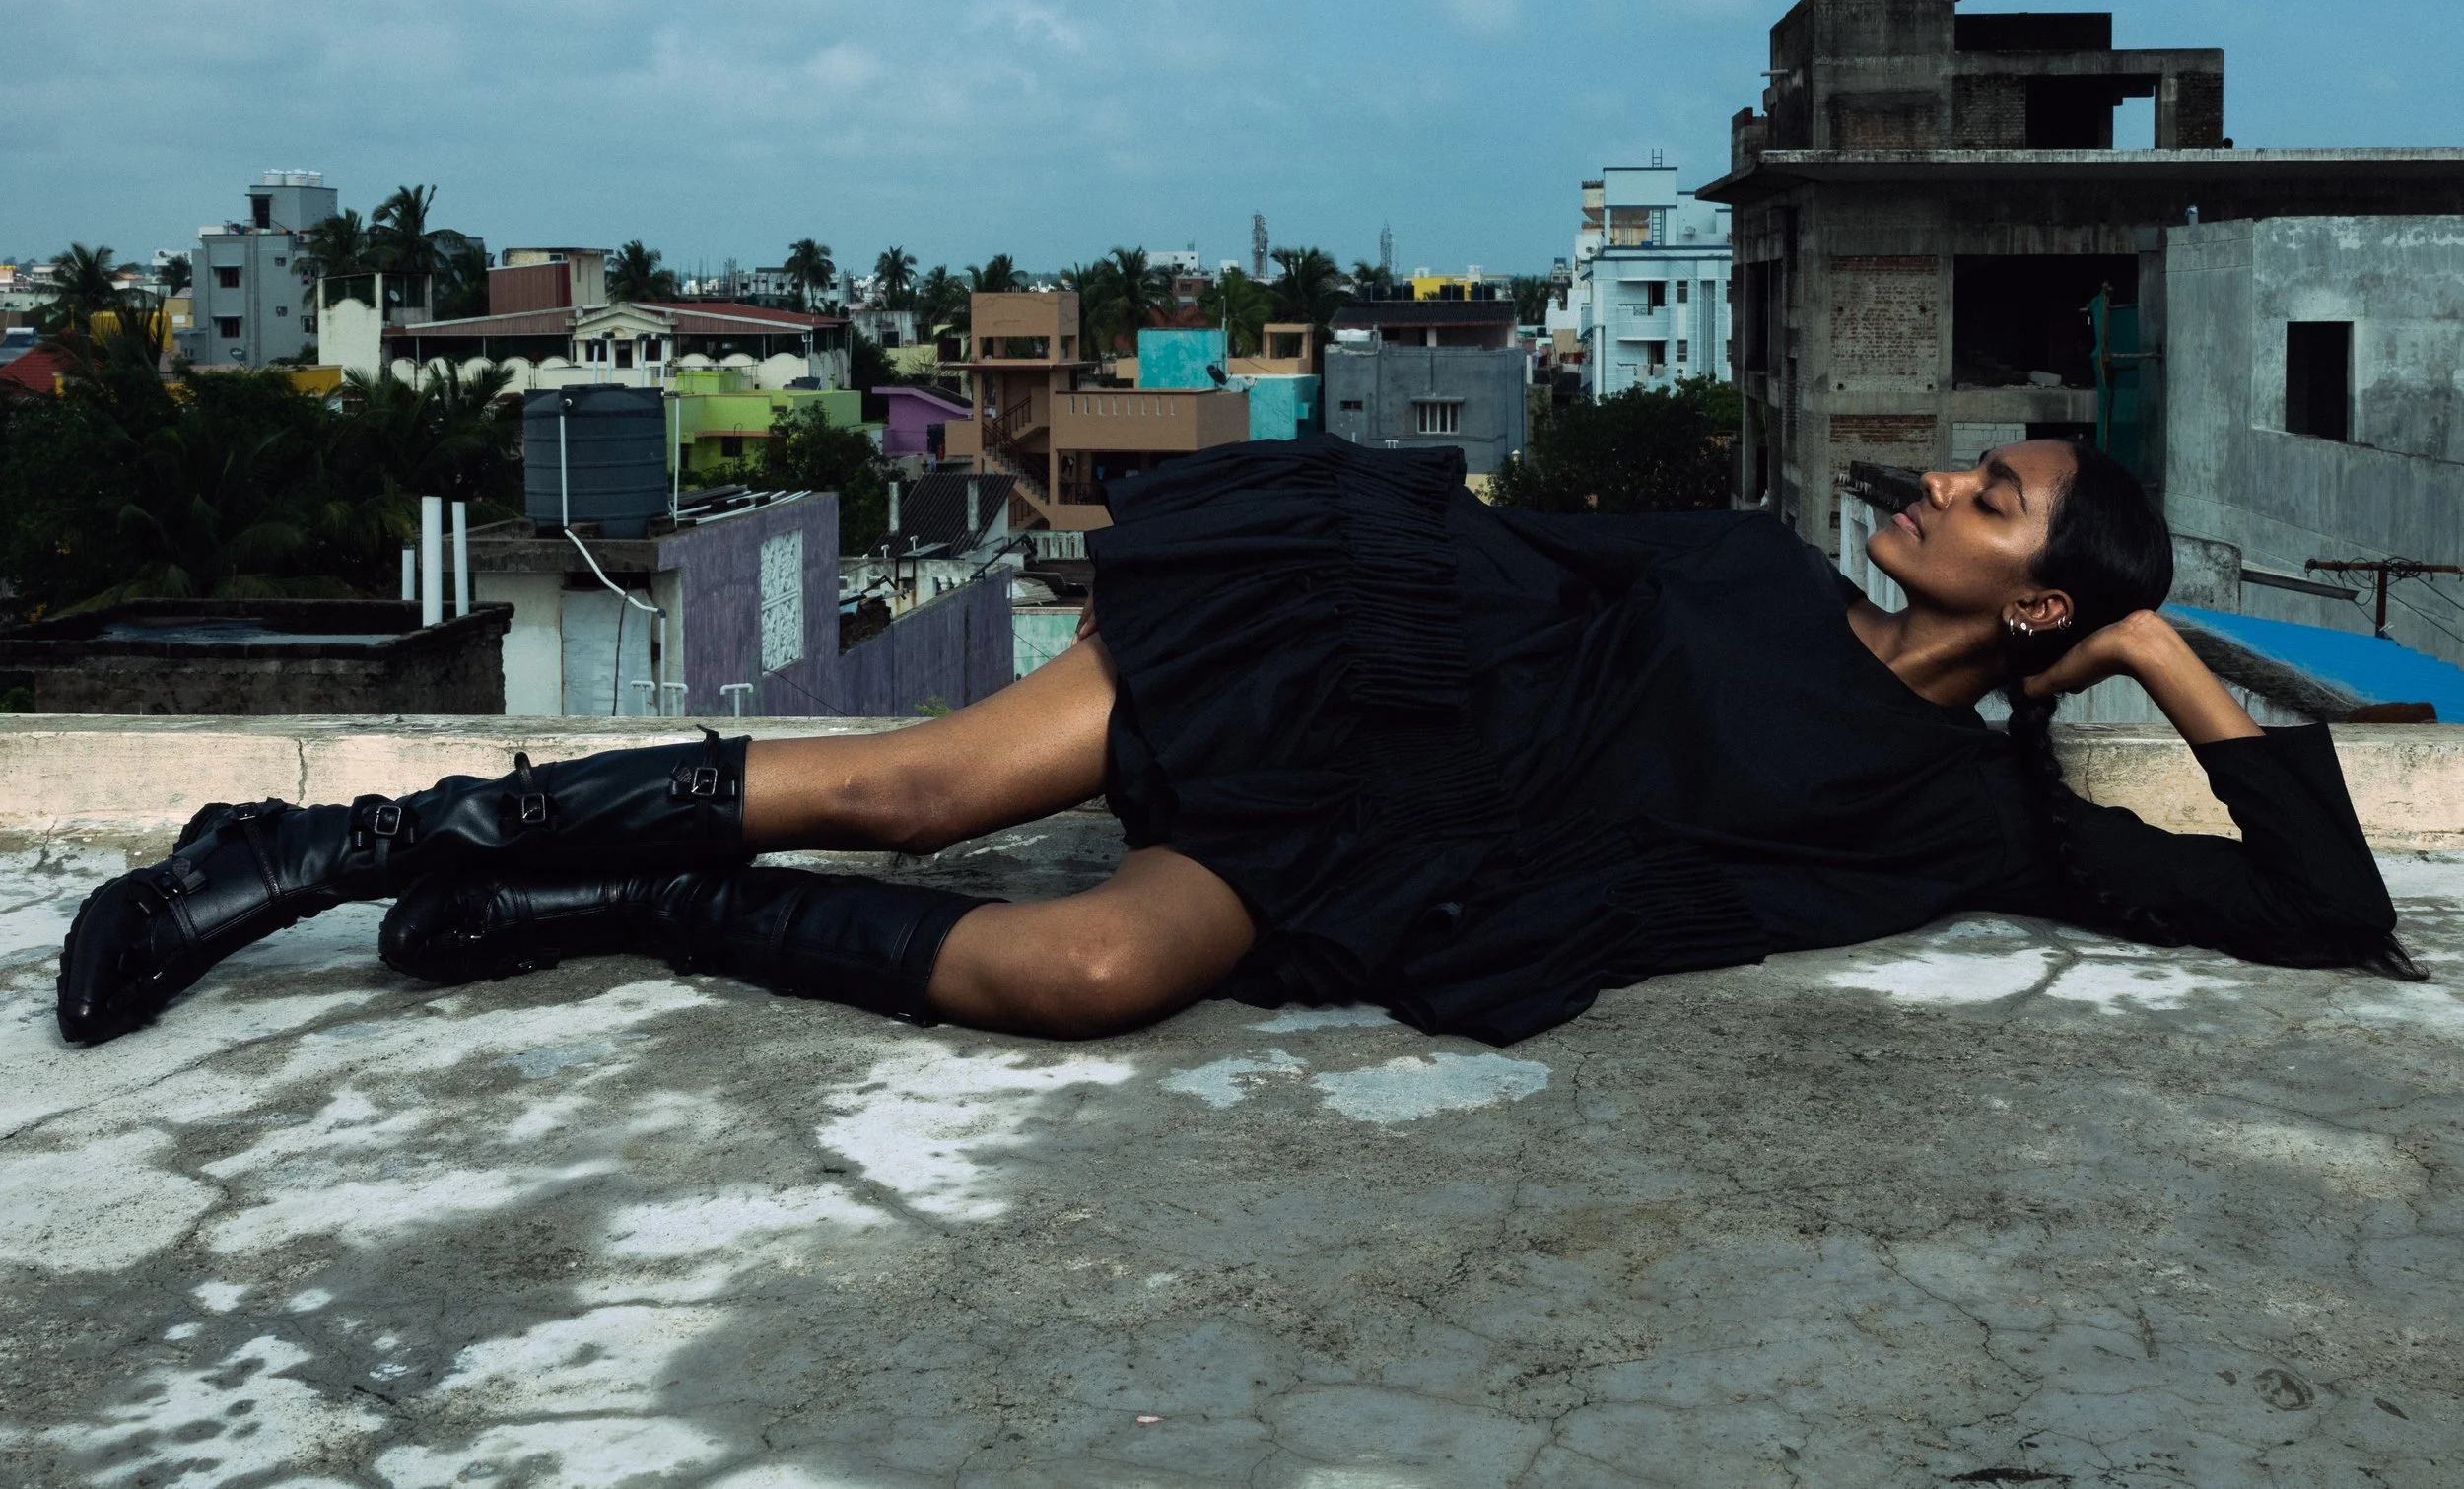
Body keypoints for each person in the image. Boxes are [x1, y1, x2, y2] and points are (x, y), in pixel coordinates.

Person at [55, 435, 2421, 1049]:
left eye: (1983, 505)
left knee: (1077, 977)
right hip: (1332, 682)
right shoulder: (1731, 565)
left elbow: (2329, 929)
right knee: (921, 785)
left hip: (1398, 862)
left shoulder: (1981, 820)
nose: (1922, 490)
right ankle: (315, 849)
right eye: (1953, 474)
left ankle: (608, 902)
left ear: (2035, 599)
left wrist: (2163, 667)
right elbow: (1488, 561)